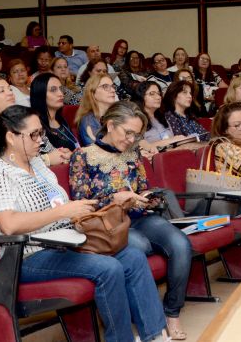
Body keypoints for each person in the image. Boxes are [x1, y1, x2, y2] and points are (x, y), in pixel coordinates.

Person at [0, 105, 168, 342]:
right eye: (34, 135)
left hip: (67, 242)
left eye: (41, 133)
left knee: (133, 257)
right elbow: (8, 225)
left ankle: (155, 335)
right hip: (28, 254)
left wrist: (82, 209)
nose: (41, 140)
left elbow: (60, 204)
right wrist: (62, 212)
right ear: (11, 137)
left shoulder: (38, 165)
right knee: (109, 268)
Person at [69, 101, 192, 340]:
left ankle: (172, 312)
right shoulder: (83, 156)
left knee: (181, 244)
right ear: (110, 125)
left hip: (138, 217)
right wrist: (114, 199)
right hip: (109, 226)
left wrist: (147, 197)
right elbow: (81, 203)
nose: (131, 139)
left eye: (136, 135)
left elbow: (142, 187)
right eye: (128, 133)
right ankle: (144, 321)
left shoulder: (133, 153)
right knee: (140, 247)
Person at [0, 77, 71, 171]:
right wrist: (46, 160)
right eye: (2, 91)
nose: (10, 93)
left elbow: (49, 149)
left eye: (10, 89)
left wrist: (62, 155)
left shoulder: (21, 120)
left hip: (42, 175)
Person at [130, 81, 197, 152]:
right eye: (152, 94)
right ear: (140, 97)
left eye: (159, 94)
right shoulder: (136, 120)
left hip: (172, 153)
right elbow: (141, 147)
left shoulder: (162, 117)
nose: (158, 97)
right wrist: (171, 140)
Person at [30, 73, 80, 151]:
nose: (60, 94)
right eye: (53, 90)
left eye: (61, 89)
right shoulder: (36, 126)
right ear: (40, 94)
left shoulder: (61, 119)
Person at [76, 74, 118, 146]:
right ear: (93, 92)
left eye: (113, 86)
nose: (113, 90)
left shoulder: (116, 114)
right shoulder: (88, 120)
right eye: (105, 86)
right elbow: (99, 149)